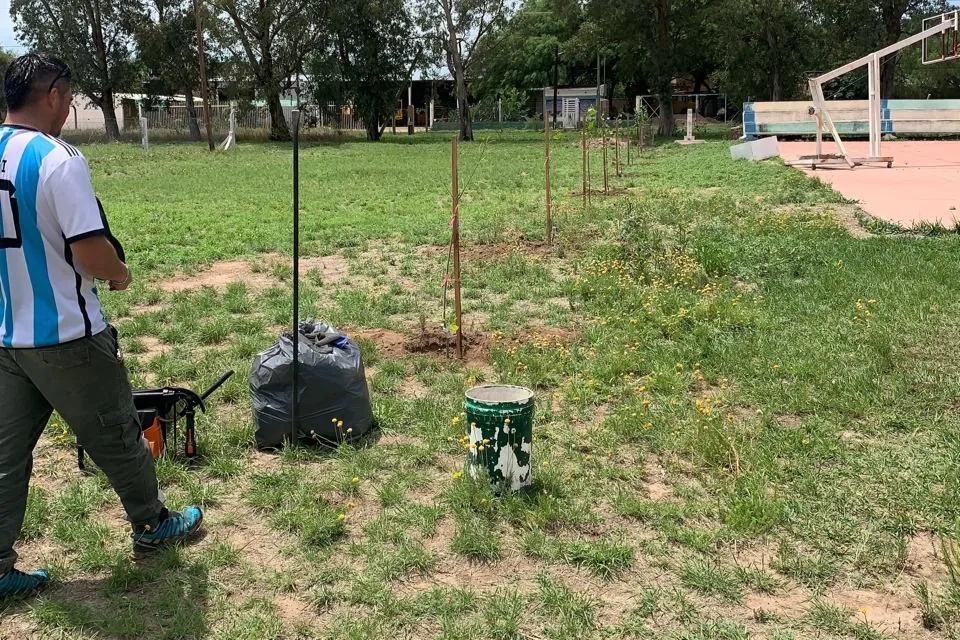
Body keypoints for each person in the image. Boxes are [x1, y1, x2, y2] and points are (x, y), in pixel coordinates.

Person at [0, 53, 203, 598]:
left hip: (6, 337)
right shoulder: (58, 159)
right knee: (118, 434)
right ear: (55, 95)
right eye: (68, 98)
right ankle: (153, 524)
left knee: (4, 456)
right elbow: (90, 251)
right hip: (68, 336)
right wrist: (121, 272)